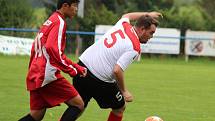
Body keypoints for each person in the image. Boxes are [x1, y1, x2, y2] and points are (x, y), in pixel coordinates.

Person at [72, 12, 162, 121]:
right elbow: (117, 70)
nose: (151, 36)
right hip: (99, 79)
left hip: (82, 67)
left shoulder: (123, 24)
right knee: (119, 108)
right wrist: (124, 91)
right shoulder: (134, 47)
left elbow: (127, 16)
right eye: (151, 33)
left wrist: (147, 14)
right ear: (142, 29)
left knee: (78, 106)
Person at [19, 0, 87, 121]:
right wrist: (72, 71)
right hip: (46, 75)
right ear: (65, 6)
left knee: (37, 114)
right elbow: (52, 49)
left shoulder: (51, 20)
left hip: (36, 72)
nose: (76, 9)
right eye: (75, 6)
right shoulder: (60, 22)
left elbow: (54, 52)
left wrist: (77, 67)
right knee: (78, 104)